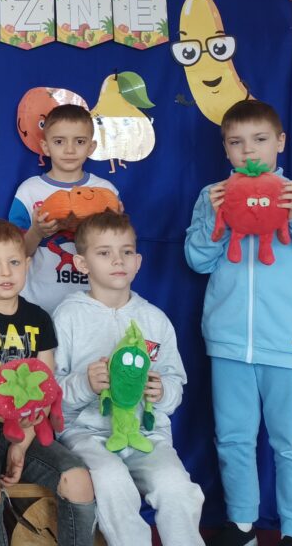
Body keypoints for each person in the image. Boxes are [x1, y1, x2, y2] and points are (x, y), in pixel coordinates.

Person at [185, 99, 292, 546]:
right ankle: (242, 525)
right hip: (229, 342)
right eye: (236, 143)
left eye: (259, 140)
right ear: (225, 149)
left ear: (280, 142)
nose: (249, 151)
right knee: (233, 439)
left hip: (289, 344)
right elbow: (197, 261)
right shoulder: (212, 196)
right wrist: (216, 222)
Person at [54, 211, 204, 546]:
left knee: (177, 488)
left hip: (146, 435)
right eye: (104, 252)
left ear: (138, 262)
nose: (117, 260)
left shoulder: (154, 320)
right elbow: (51, 390)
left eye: (126, 251)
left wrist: (161, 391)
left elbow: (175, 383)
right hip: (87, 434)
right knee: (112, 481)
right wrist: (85, 384)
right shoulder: (68, 317)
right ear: (81, 263)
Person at [0, 218, 96, 546]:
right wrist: (12, 425)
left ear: (27, 264)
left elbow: (46, 388)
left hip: (30, 427)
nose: (5, 272)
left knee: (78, 480)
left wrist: (23, 440)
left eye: (14, 262)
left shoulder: (39, 319)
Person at [8, 104, 118, 315]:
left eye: (79, 141)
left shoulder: (106, 191)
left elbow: (116, 248)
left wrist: (115, 221)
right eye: (59, 141)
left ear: (91, 147)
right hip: (38, 306)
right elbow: (14, 255)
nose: (70, 150)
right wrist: (36, 232)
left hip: (92, 306)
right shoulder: (29, 190)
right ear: (45, 146)